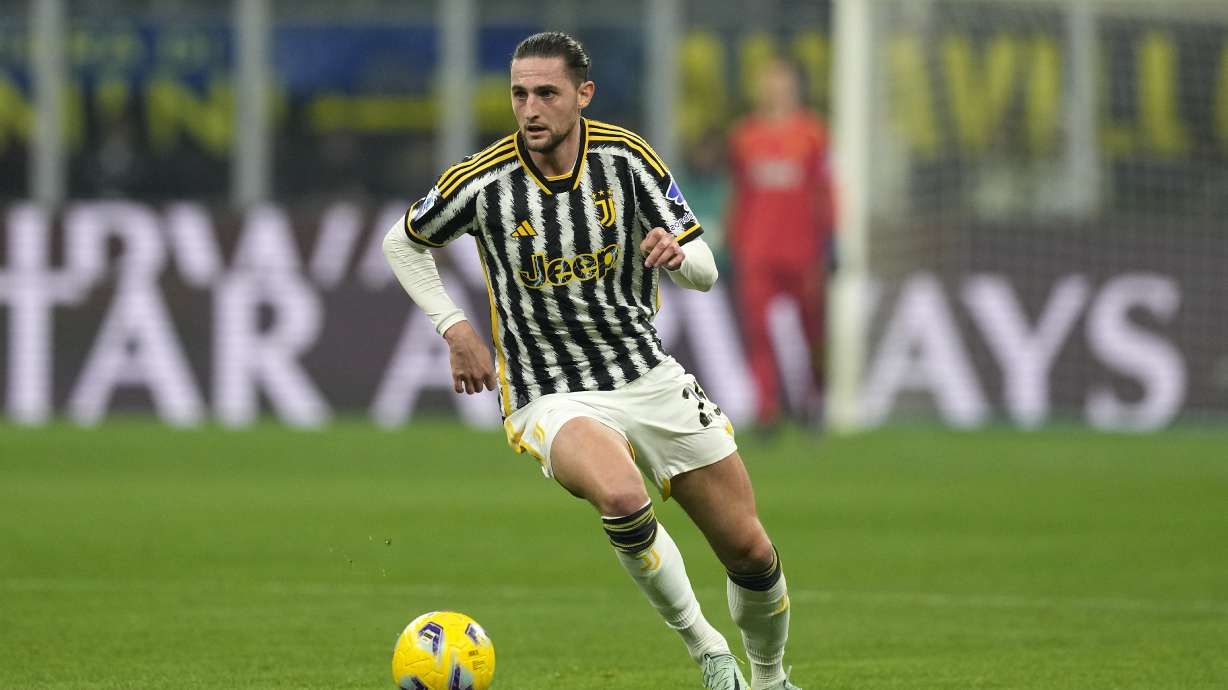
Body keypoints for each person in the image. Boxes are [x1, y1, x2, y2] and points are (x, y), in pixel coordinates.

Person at [383, 32, 800, 690]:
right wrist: (455, 327)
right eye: (519, 94)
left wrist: (675, 253)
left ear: (583, 95)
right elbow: (402, 242)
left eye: (546, 93)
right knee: (622, 495)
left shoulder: (627, 159)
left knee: (750, 550)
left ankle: (772, 680)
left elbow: (706, 271)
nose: (530, 109)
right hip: (548, 393)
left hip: (647, 373)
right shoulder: (482, 179)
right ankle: (710, 653)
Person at [727, 58, 835, 431]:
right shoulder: (744, 136)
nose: (775, 90)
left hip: (804, 250)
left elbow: (825, 189)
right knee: (759, 332)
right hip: (757, 250)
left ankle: (814, 400)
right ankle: (767, 409)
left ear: (795, 87)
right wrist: (734, 238)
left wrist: (831, 237)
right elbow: (740, 194)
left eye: (781, 82)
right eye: (768, 83)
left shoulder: (813, 134)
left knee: (813, 331)